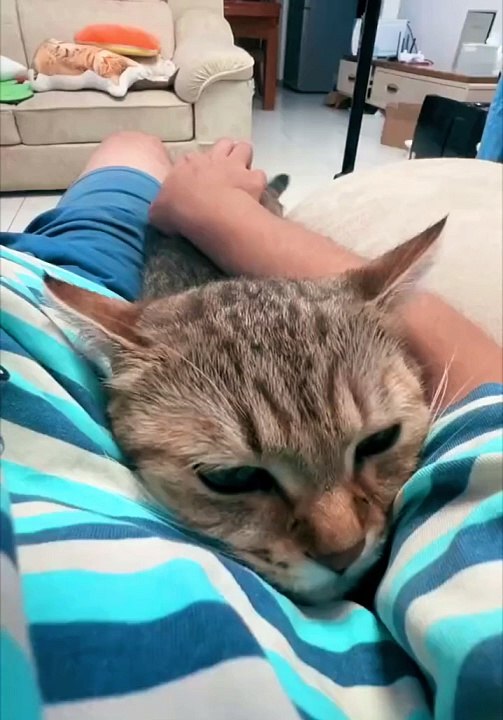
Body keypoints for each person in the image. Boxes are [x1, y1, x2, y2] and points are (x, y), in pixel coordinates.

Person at [1, 133, 502, 720]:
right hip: (79, 303)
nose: (341, 540)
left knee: (130, 147)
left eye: (376, 441)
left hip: (50, 275)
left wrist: (213, 210)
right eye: (236, 476)